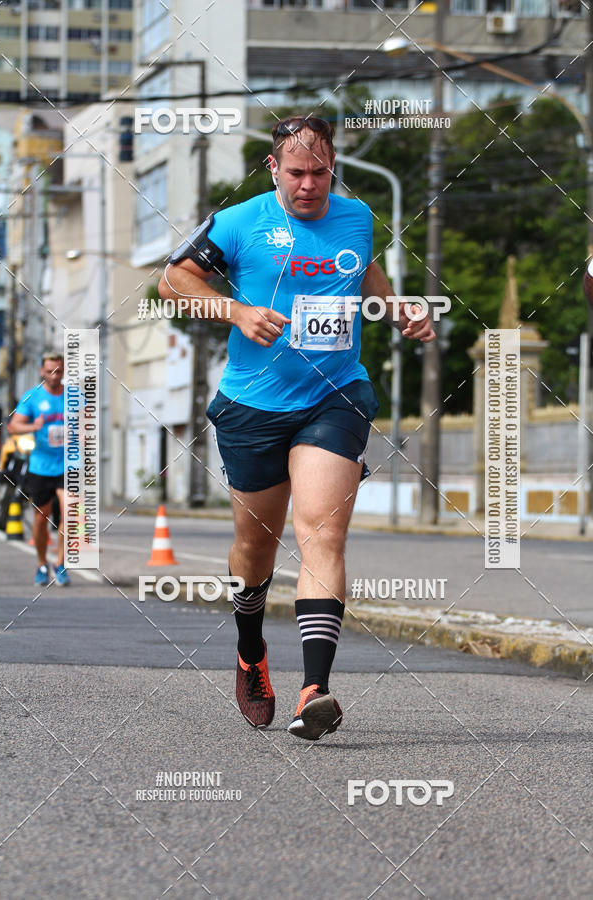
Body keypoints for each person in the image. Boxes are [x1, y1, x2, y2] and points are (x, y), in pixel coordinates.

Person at [159, 114, 434, 740]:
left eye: (320, 172)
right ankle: (250, 646)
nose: (309, 185)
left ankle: (316, 688)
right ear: (273, 169)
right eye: (297, 173)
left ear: (333, 167)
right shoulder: (238, 221)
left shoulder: (358, 216)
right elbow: (173, 280)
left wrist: (398, 311)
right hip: (254, 405)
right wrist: (235, 310)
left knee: (321, 533)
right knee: (256, 550)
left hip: (334, 396)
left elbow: (363, 269)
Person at [8, 351, 70, 587]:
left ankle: (61, 564)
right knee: (41, 519)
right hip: (41, 466)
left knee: (69, 513)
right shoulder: (32, 397)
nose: (54, 376)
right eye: (49, 371)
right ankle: (42, 563)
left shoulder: (73, 396)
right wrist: (33, 425)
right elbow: (14, 426)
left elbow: (88, 422)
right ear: (41, 371)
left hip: (68, 464)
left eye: (59, 371)